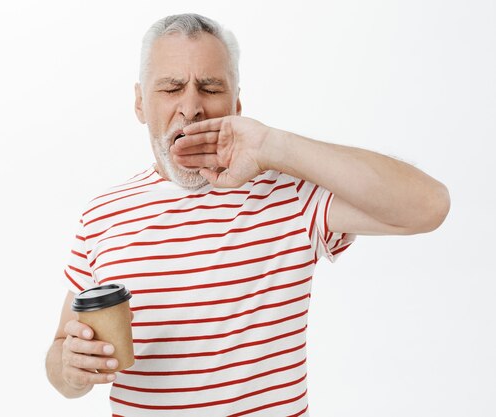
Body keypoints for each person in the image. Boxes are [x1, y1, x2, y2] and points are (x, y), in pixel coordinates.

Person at [45, 13, 450, 417]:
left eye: (211, 87)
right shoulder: (102, 215)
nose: (191, 108)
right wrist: (72, 370)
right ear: (140, 102)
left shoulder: (289, 192)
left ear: (236, 102)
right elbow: (62, 355)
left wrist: (273, 145)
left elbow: (428, 206)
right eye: (171, 88)